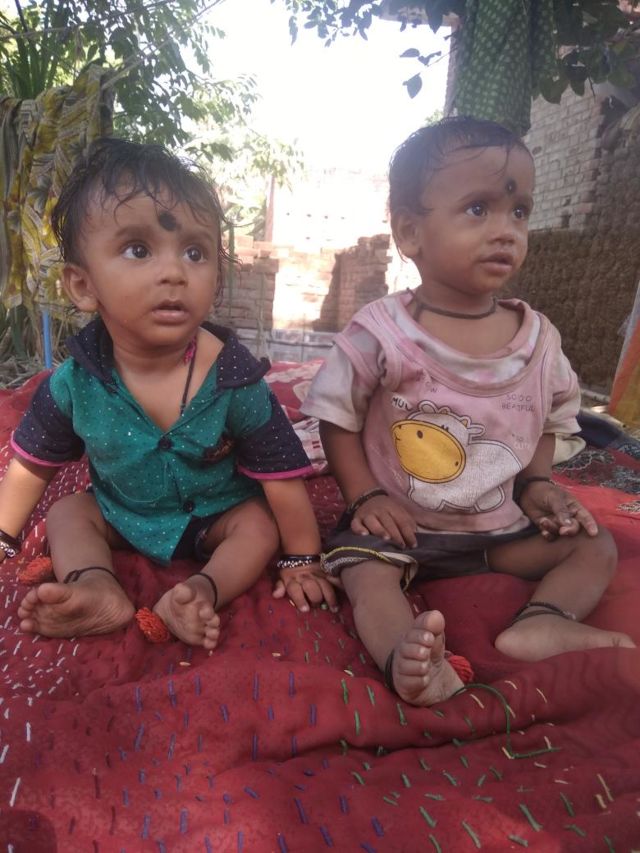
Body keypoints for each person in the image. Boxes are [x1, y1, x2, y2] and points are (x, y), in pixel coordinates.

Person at [302, 116, 636, 707]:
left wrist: (536, 484)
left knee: (594, 544)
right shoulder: (383, 331)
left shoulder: (539, 340)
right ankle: (407, 659)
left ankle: (542, 621)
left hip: (497, 535)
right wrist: (365, 496)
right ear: (410, 232)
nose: (505, 231)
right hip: (400, 531)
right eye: (478, 209)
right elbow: (337, 415)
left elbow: (549, 419)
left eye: (519, 212)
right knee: (363, 571)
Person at [0, 138, 336, 648]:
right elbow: (31, 466)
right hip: (119, 515)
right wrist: (5, 536)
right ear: (83, 286)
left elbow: (283, 479)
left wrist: (303, 558)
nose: (175, 272)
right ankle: (95, 586)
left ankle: (200, 593)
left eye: (195, 253)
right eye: (138, 250)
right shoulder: (72, 384)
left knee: (260, 524)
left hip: (215, 518)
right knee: (67, 513)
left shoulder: (235, 381)